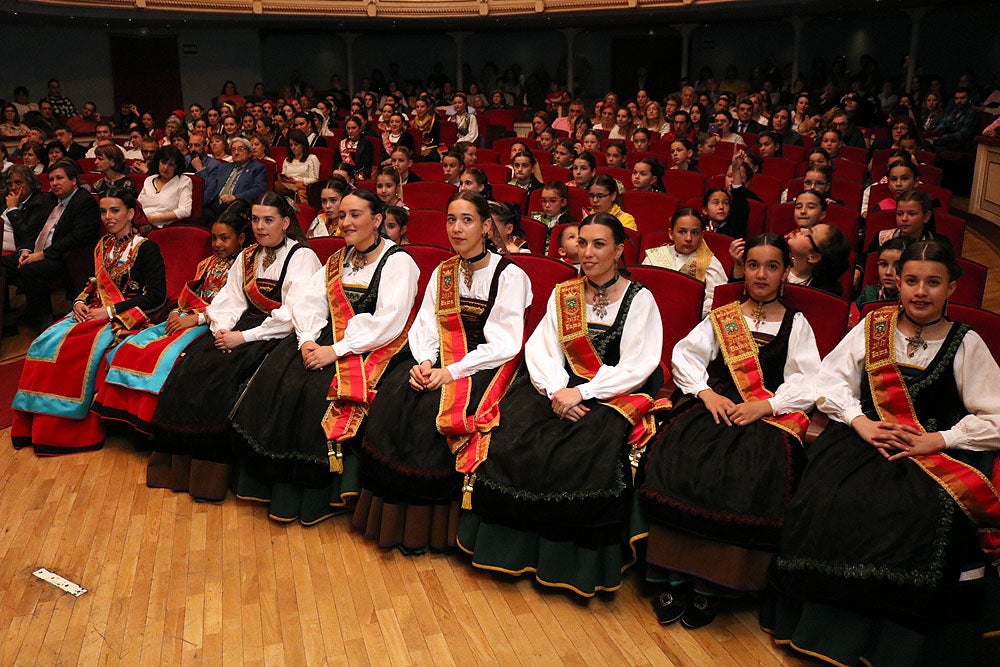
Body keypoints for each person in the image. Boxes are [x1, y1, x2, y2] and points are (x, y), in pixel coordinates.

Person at [768, 240, 1000, 667]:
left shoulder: (967, 344)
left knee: (917, 515)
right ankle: (825, 630)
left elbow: (996, 416)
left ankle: (893, 645)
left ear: (952, 287)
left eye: (933, 282)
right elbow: (829, 383)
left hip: (931, 452)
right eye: (911, 280)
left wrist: (940, 440)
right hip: (863, 437)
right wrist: (860, 422)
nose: (920, 291)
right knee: (824, 501)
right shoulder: (872, 327)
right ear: (898, 281)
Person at [457, 213, 665, 596]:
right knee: (513, 438)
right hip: (557, 387)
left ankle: (568, 564)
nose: (587, 252)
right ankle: (511, 551)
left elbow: (638, 365)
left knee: (583, 452)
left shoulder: (640, 300)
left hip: (610, 390)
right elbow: (541, 349)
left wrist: (582, 393)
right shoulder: (564, 292)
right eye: (582, 243)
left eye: (599, 244)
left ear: (619, 250)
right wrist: (557, 390)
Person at [638, 233, 820, 628]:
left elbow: (807, 381)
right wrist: (705, 394)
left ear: (786, 271)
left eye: (772, 266)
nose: (761, 274)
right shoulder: (723, 315)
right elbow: (686, 354)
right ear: (743, 268)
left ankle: (714, 586)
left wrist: (765, 406)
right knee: (679, 458)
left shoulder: (796, 324)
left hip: (764, 412)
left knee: (749, 474)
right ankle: (668, 574)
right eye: (754, 265)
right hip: (714, 405)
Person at [352, 191, 532, 553]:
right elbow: (425, 327)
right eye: (451, 219)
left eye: (467, 220)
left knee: (429, 415)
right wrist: (423, 362)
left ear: (485, 227)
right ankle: (389, 520)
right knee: (397, 396)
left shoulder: (510, 275)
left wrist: (451, 372)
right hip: (439, 362)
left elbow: (505, 344)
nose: (457, 228)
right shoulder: (443, 271)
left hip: (484, 364)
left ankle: (426, 530)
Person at [231, 189, 420, 524]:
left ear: (377, 220)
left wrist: (334, 350)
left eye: (355, 215)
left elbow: (388, 322)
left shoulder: (399, 262)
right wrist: (305, 340)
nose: (345, 222)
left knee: (319, 391)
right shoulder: (338, 259)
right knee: (280, 377)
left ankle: (316, 496)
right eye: (342, 216)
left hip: (373, 345)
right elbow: (309, 302)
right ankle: (271, 485)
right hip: (324, 339)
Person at [150, 192, 321, 501]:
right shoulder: (247, 255)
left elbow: (295, 315)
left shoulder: (302, 257)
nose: (260, 226)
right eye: (255, 220)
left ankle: (214, 478)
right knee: (191, 367)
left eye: (268, 220)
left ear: (285, 222)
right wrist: (223, 329)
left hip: (278, 334)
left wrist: (243, 338)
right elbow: (229, 301)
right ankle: (178, 470)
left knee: (226, 380)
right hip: (240, 327)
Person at [11, 187, 166, 455]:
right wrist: (79, 302)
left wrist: (108, 313)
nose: (108, 217)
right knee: (44, 341)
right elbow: (94, 283)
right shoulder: (102, 245)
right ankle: (36, 425)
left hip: (125, 317)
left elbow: (155, 296)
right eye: (103, 211)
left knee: (75, 348)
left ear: (130, 213)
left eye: (115, 210)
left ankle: (68, 429)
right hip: (92, 310)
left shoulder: (146, 248)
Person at [96, 201, 252, 440]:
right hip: (184, 316)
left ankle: (146, 423)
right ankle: (120, 418)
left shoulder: (245, 268)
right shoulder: (207, 263)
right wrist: (175, 310)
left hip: (210, 325)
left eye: (224, 238)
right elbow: (189, 293)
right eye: (214, 239)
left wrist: (195, 319)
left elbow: (236, 308)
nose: (217, 245)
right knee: (132, 347)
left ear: (241, 238)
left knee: (163, 356)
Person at [1, 159, 101, 330]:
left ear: (73, 180)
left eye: (59, 178)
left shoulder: (83, 201)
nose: (54, 183)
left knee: (30, 269)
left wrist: (42, 255)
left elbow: (77, 238)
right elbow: (32, 230)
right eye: (52, 179)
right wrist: (26, 250)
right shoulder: (50, 199)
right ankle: (6, 317)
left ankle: (44, 318)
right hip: (38, 252)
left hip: (66, 258)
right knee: (3, 264)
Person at [643, 207, 727, 317]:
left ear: (702, 235)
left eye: (695, 233)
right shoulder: (654, 258)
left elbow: (718, 301)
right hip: (655, 317)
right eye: (682, 232)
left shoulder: (710, 262)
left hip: (694, 321)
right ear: (671, 234)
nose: (688, 238)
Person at [200, 136, 268, 220]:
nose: (236, 152)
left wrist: (235, 197)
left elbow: (259, 189)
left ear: (249, 153)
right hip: (215, 204)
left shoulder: (257, 168)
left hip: (236, 206)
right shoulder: (224, 167)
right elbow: (212, 186)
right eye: (233, 150)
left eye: (241, 149)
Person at [138, 146, 193, 229]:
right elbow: (138, 206)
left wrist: (153, 219)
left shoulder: (183, 181)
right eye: (163, 163)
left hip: (163, 227)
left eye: (171, 165)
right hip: (141, 224)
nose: (166, 167)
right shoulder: (150, 179)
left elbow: (185, 211)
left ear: (177, 167)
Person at [854, 236, 911, 312]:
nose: (888, 272)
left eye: (897, 266)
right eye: (884, 264)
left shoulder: (914, 300)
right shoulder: (869, 294)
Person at [275, 129, 320, 204]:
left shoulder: (312, 158)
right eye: (291, 145)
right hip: (287, 186)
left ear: (303, 144)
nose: (293, 148)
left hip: (302, 188)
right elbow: (283, 175)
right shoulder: (287, 159)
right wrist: (286, 179)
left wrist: (296, 181)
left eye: (296, 144)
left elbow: (314, 179)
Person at [411, 96, 441, 162]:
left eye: (422, 106)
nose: (419, 109)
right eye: (417, 107)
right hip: (416, 149)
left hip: (430, 147)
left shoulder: (434, 121)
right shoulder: (412, 123)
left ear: (427, 108)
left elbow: (436, 140)